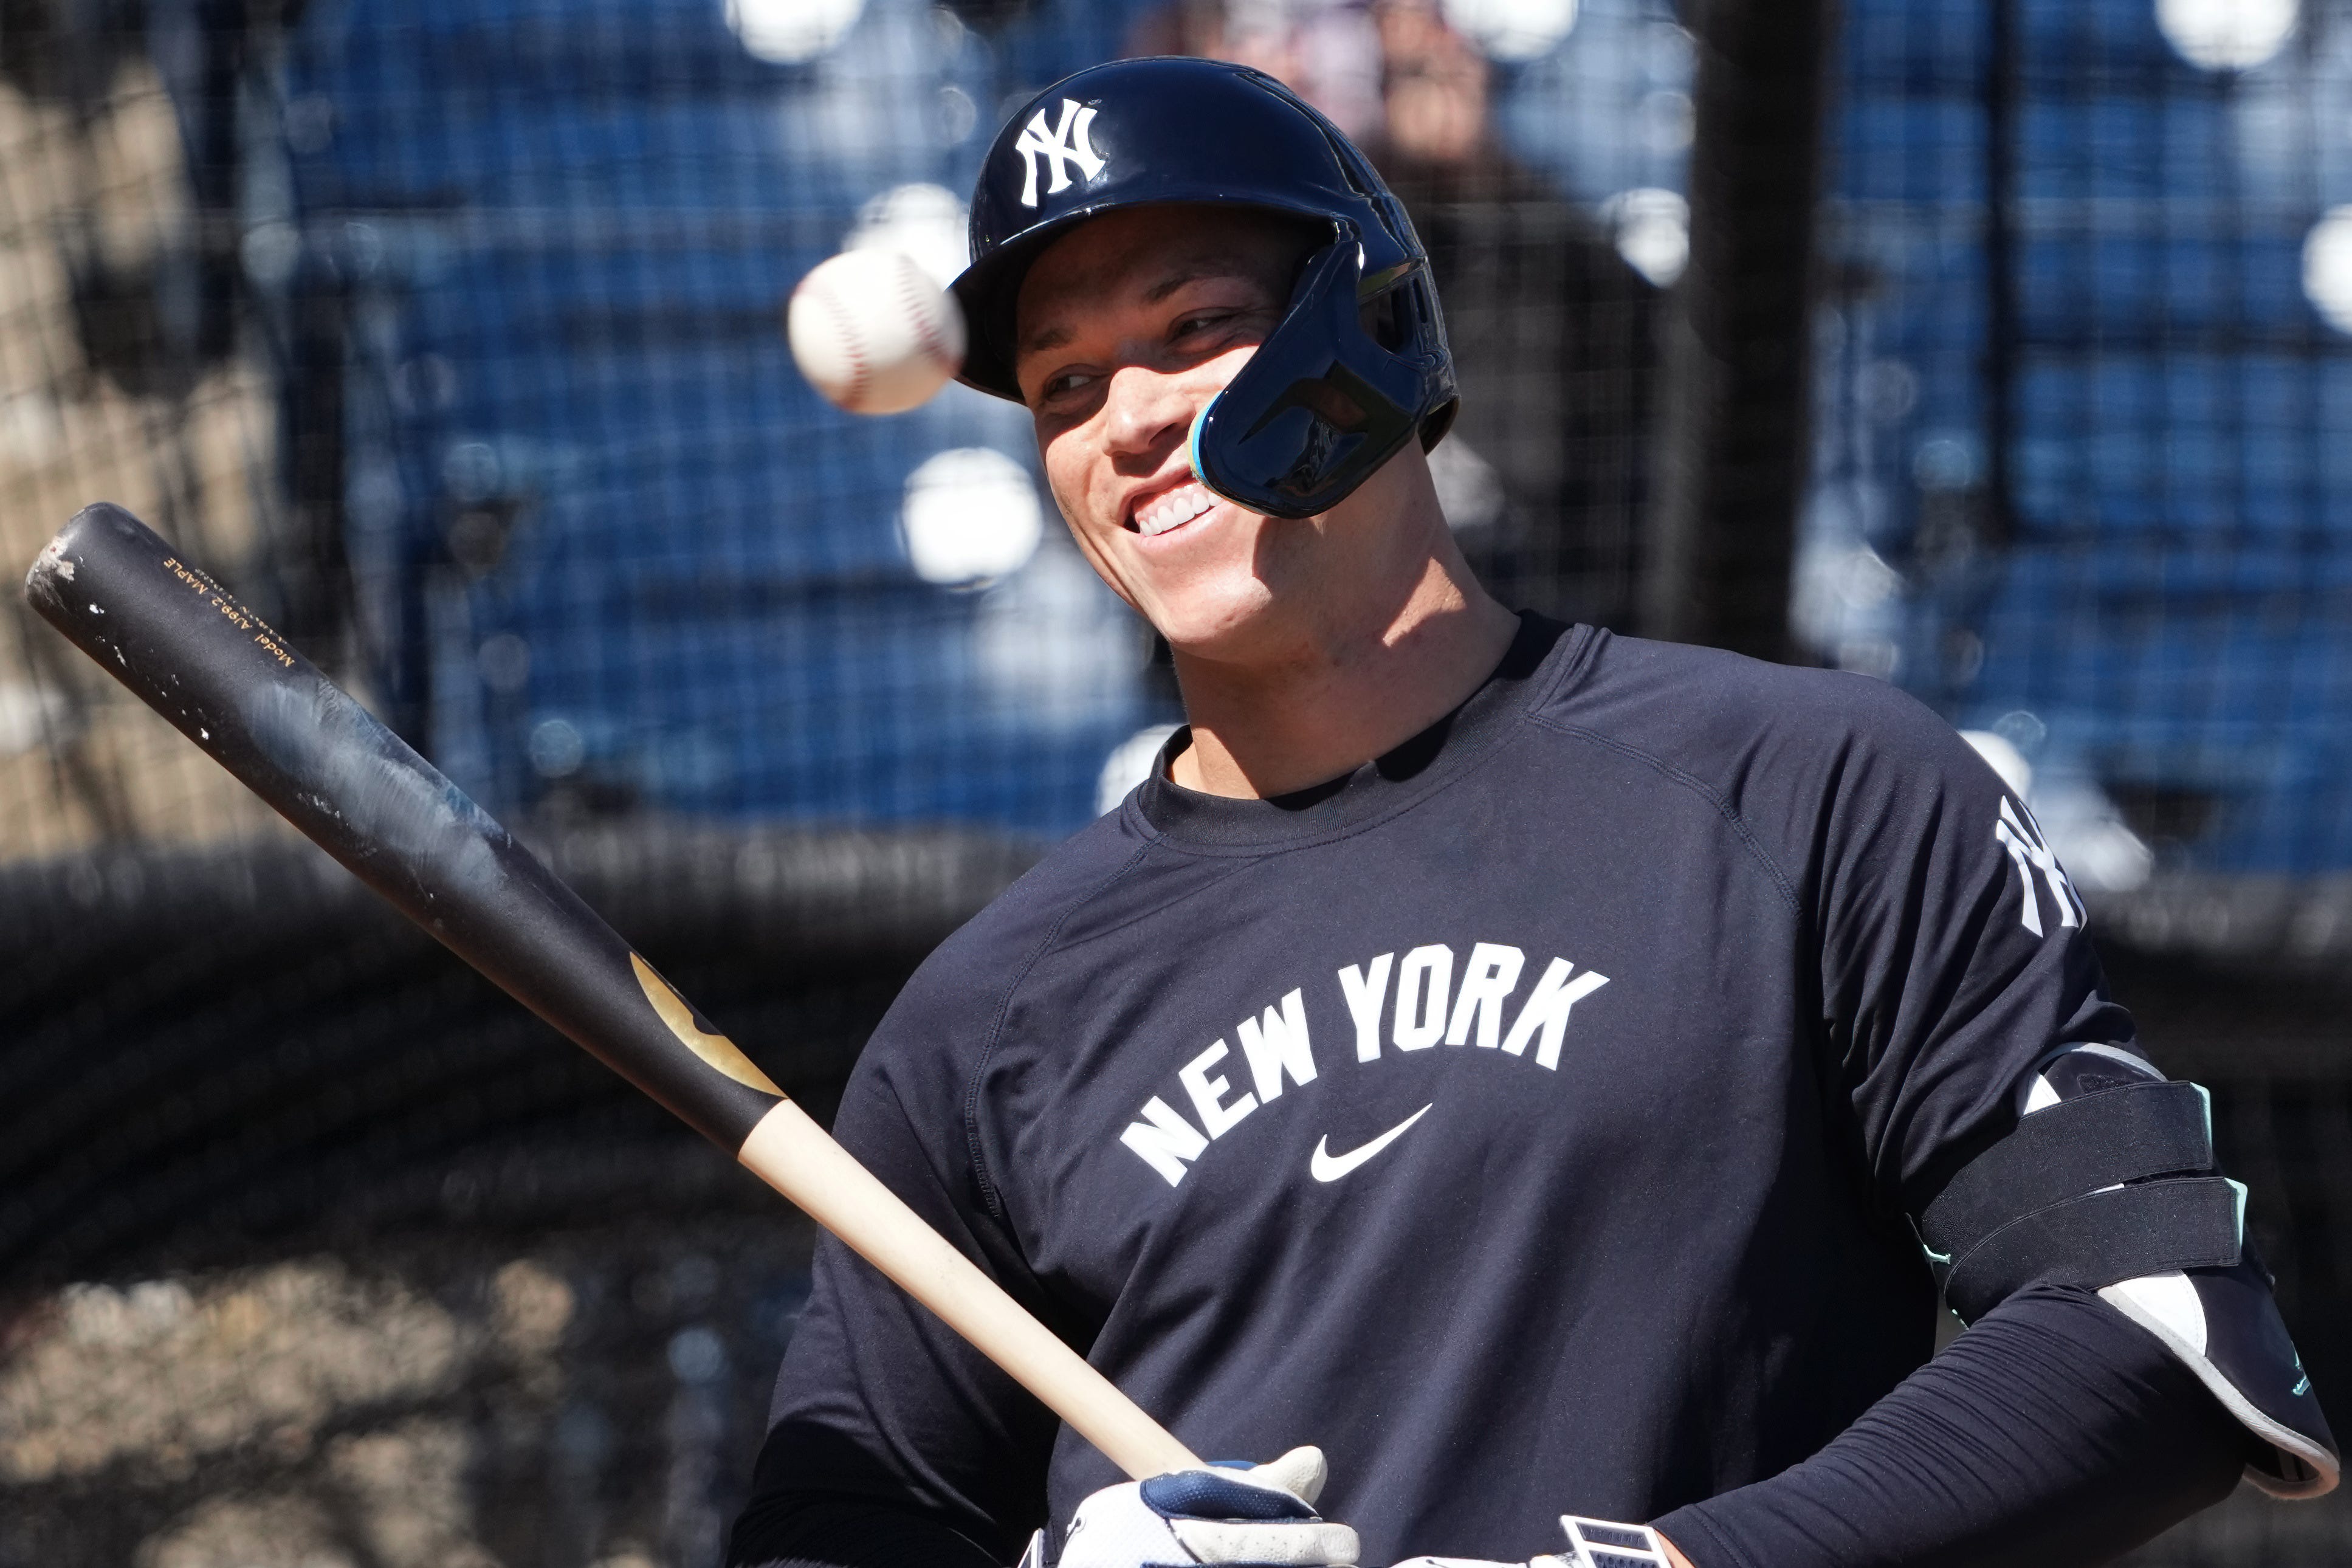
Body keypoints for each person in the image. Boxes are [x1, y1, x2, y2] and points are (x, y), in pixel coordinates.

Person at [730, 57, 2336, 1568]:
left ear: (1366, 327)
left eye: (1194, 326)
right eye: (1063, 380)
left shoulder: (1809, 790)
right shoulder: (984, 1021)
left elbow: (2167, 1332)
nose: (1128, 418)